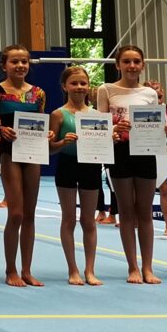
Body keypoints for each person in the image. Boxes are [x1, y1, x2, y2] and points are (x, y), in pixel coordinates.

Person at [98, 44, 167, 285]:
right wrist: (113, 130)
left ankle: (148, 267)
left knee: (145, 211)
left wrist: (166, 130)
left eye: (136, 61)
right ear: (118, 64)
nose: (131, 66)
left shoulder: (149, 94)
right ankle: (132, 267)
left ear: (142, 65)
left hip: (146, 152)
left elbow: (157, 124)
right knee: (127, 211)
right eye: (126, 61)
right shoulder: (106, 90)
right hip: (120, 153)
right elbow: (100, 125)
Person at [0, 45, 46, 287]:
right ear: (4, 65)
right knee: (16, 212)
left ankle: (27, 269)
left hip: (32, 153)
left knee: (30, 214)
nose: (20, 66)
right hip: (9, 152)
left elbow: (40, 122)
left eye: (24, 61)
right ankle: (10, 269)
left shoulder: (38, 93)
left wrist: (47, 134)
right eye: (14, 61)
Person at [49, 65, 101, 286]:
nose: (79, 87)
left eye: (83, 83)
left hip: (91, 166)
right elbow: (50, 148)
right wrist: (63, 142)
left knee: (89, 220)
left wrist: (111, 139)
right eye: (74, 83)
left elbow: (103, 145)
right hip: (67, 165)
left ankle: (90, 269)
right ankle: (73, 269)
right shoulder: (58, 114)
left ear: (88, 86)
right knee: (69, 219)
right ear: (65, 86)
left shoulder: (98, 116)